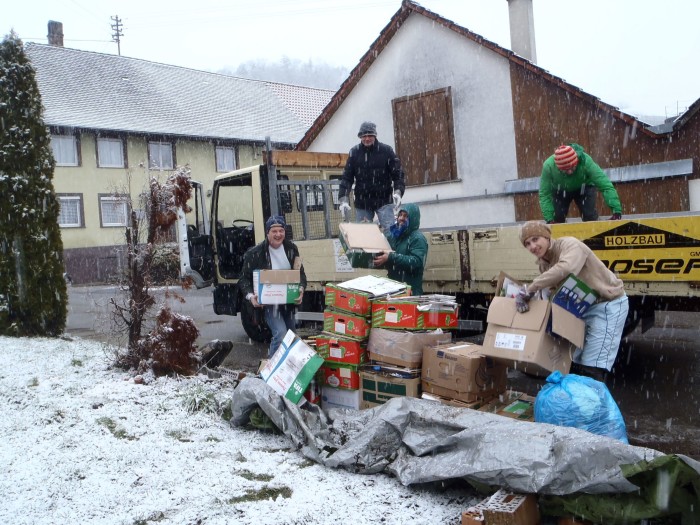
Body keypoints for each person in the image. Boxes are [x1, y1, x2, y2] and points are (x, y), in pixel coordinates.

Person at [516, 221, 629, 383]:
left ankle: (594, 406)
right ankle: (579, 404)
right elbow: (553, 291)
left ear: (547, 237)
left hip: (606, 305)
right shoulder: (543, 264)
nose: (533, 246)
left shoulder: (570, 245)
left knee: (593, 366)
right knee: (575, 362)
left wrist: (531, 288)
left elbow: (566, 269)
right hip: (580, 309)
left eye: (536, 239)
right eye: (527, 243)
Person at [239, 216, 306, 358]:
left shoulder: (291, 249)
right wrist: (251, 296)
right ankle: (271, 367)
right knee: (280, 334)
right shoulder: (255, 253)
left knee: (291, 335)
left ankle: (289, 367)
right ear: (267, 233)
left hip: (288, 300)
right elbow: (243, 279)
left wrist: (301, 288)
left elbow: (300, 273)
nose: (278, 234)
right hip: (270, 302)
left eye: (281, 230)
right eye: (274, 231)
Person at [338, 121, 405, 231]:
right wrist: (343, 199)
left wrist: (398, 192)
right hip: (363, 201)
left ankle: (391, 248)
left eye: (370, 135)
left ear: (375, 136)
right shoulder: (354, 153)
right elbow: (347, 178)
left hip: (384, 199)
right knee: (364, 234)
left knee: (390, 232)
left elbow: (398, 174)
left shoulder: (386, 151)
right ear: (360, 137)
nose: (367, 139)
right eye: (364, 136)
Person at [539, 143, 622, 224]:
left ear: (577, 161)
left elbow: (605, 185)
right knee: (557, 218)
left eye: (572, 167)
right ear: (558, 167)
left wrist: (616, 211)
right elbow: (544, 194)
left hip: (584, 187)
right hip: (560, 190)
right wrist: (549, 219)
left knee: (589, 215)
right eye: (565, 170)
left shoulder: (586, 161)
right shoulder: (549, 166)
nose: (570, 172)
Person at [373, 203, 428, 296]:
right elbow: (391, 257)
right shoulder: (396, 236)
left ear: (413, 219)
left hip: (410, 292)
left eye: (406, 216)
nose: (401, 218)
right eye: (400, 215)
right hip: (394, 291)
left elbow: (417, 262)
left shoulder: (418, 238)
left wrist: (391, 257)